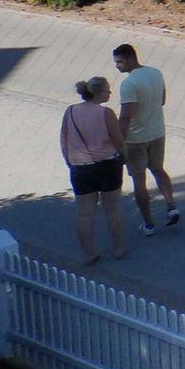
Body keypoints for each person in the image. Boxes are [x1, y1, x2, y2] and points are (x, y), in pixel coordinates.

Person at [60, 76, 130, 266]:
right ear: (98, 93)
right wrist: (125, 157)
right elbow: (118, 140)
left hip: (80, 167)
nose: (110, 92)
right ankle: (118, 248)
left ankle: (89, 253)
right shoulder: (106, 113)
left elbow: (64, 139)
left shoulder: (70, 111)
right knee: (112, 209)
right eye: (107, 90)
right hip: (107, 165)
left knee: (84, 213)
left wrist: (69, 161)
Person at [113, 43, 178, 234]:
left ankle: (148, 223)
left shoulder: (128, 84)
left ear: (130, 59)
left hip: (135, 139)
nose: (117, 66)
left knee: (139, 179)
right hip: (157, 132)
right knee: (158, 169)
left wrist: (119, 142)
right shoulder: (155, 73)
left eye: (119, 62)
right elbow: (162, 100)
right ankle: (171, 205)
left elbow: (125, 117)